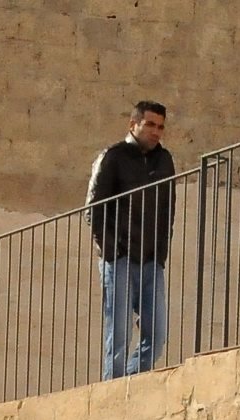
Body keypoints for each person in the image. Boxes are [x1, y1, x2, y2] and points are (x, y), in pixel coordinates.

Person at [88, 101, 175, 379]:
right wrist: (112, 250)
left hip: (150, 260)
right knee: (120, 335)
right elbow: (94, 209)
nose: (156, 132)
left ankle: (134, 384)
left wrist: (160, 252)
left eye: (160, 126)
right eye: (150, 124)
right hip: (121, 258)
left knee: (157, 334)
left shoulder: (165, 161)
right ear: (133, 124)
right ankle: (112, 392)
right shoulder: (113, 157)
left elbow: (167, 208)